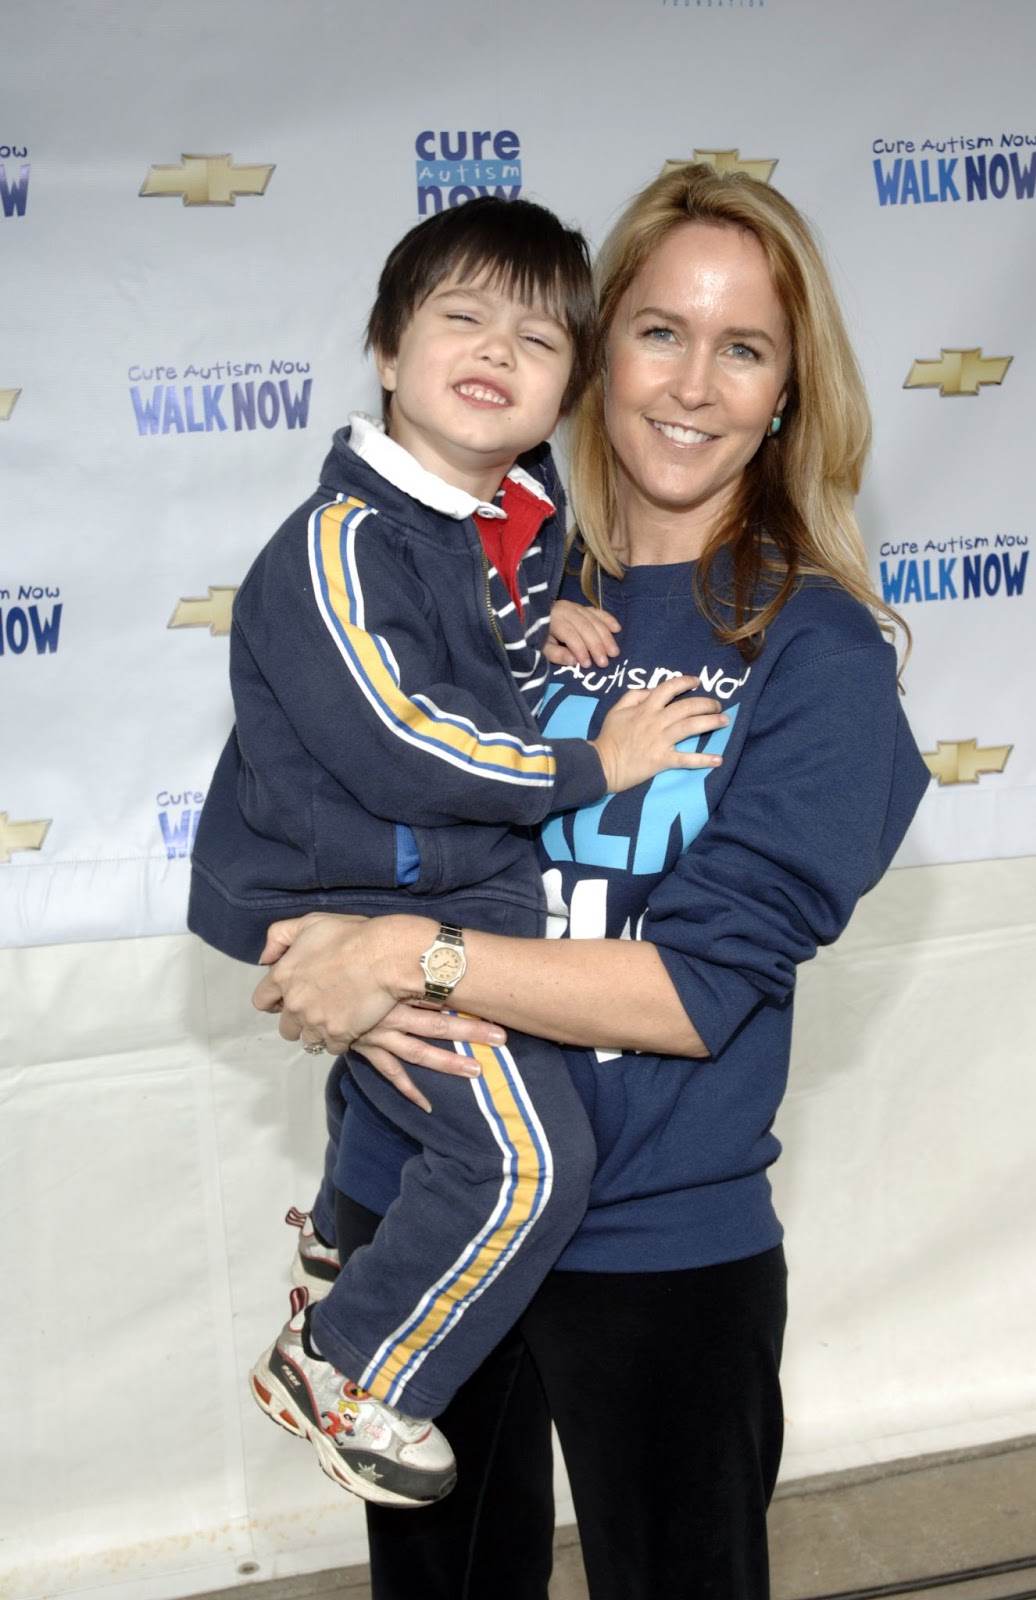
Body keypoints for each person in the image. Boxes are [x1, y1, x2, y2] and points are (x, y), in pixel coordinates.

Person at [252, 164, 931, 1600]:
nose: (692, 384)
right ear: (586, 347)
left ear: (790, 392)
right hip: (428, 1205)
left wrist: (406, 959)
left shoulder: (818, 655)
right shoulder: (467, 576)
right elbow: (299, 799)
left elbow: (696, 991)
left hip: (657, 1242)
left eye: (743, 348)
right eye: (658, 332)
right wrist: (334, 959)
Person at [187, 195, 729, 1508]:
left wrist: (550, 629)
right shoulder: (341, 542)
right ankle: (345, 1358)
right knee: (532, 1160)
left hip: (424, 891)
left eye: (539, 340)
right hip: (360, 886)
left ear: (566, 390)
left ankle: (337, 1244)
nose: (497, 350)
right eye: (461, 317)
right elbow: (404, 740)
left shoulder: (507, 520)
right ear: (385, 346)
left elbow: (475, 637)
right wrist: (602, 762)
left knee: (469, 1101)